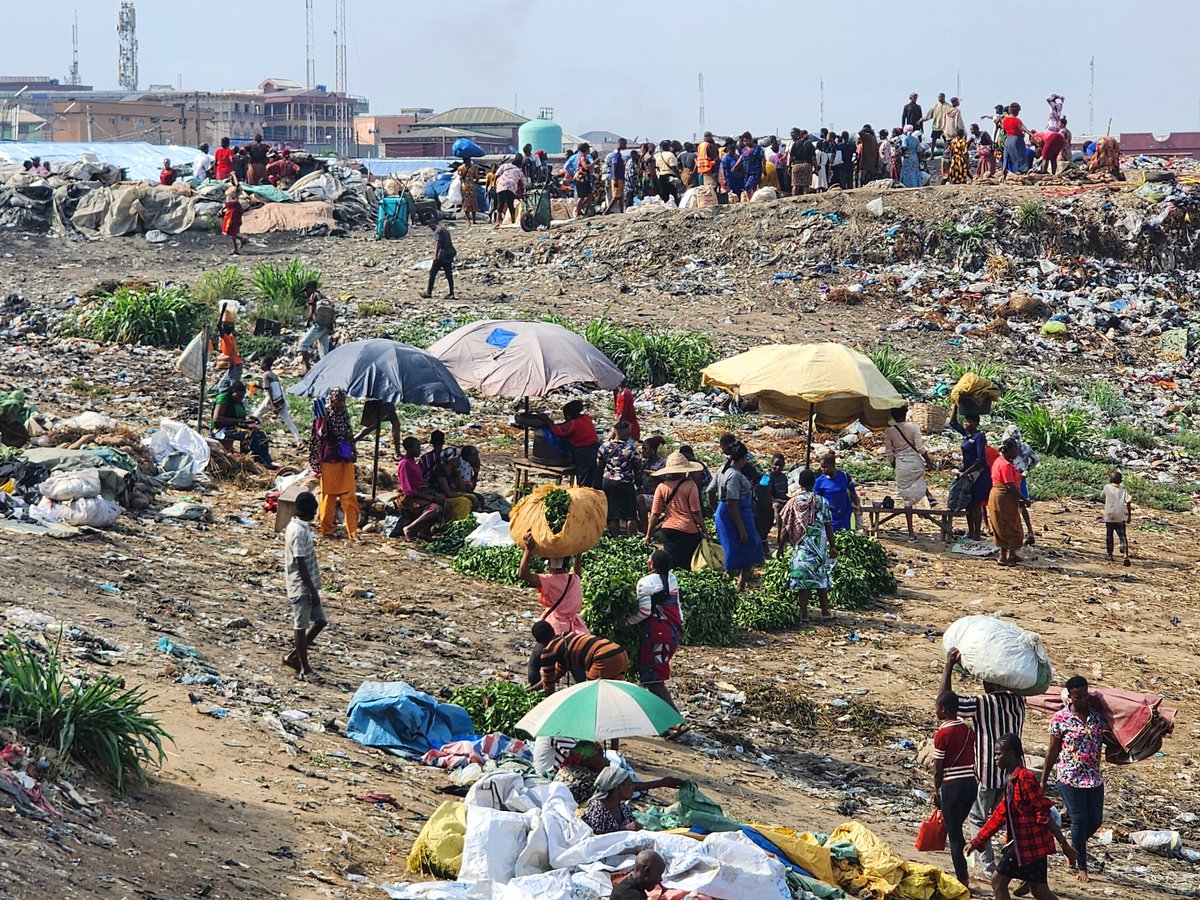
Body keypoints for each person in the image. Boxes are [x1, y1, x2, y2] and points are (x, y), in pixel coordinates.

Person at [942, 648, 1028, 878]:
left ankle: (990, 870)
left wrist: (949, 665)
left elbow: (947, 703)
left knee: (978, 819)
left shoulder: (982, 703)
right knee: (1012, 822)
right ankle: (1022, 867)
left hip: (988, 773)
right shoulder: (1019, 702)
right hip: (1015, 775)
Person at [966, 734, 1076, 900]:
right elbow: (1000, 815)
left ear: (1011, 754)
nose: (995, 758)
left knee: (998, 882)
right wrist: (977, 842)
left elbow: (1043, 812)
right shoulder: (1011, 780)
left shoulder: (1024, 779)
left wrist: (1064, 845)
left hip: (1028, 845)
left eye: (998, 754)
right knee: (1039, 890)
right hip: (1025, 845)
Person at [1041, 675, 1110, 883]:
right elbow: (1052, 751)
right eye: (1077, 696)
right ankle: (1081, 866)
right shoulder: (1060, 719)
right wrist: (1043, 779)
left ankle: (1072, 847)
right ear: (1069, 697)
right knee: (1079, 819)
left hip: (1093, 777)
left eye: (1084, 695)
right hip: (1069, 777)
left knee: (1095, 821)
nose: (1082, 700)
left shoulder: (1097, 718)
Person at [629, 550, 685, 714]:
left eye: (649, 559)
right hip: (673, 633)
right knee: (654, 676)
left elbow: (644, 612)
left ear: (652, 564)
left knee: (653, 680)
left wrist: (626, 623)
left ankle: (674, 720)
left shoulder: (645, 583)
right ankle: (659, 718)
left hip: (656, 635)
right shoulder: (672, 578)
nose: (647, 561)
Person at [777, 468, 836, 620]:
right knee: (821, 579)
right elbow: (828, 526)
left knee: (803, 581)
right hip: (819, 547)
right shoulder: (822, 501)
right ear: (814, 483)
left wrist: (781, 547)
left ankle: (803, 614)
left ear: (799, 483)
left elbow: (785, 526)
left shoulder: (793, 502)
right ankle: (825, 612)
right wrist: (833, 546)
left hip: (801, 548)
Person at [933, 690, 977, 888]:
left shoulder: (943, 733)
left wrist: (936, 790)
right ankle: (964, 872)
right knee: (957, 827)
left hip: (953, 785)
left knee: (955, 834)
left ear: (943, 709)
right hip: (970, 784)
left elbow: (938, 768)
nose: (936, 712)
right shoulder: (968, 730)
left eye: (937, 708)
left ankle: (962, 878)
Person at [282, 490, 326, 680]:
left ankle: (293, 657)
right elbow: (300, 561)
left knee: (321, 621)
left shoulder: (299, 526)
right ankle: (304, 668)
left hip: (307, 585)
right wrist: (310, 590)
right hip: (301, 586)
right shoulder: (298, 532)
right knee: (300, 627)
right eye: (315, 509)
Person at [309, 388, 358, 540]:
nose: (341, 403)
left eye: (343, 400)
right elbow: (321, 435)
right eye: (338, 400)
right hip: (330, 459)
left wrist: (353, 451)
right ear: (332, 399)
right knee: (329, 496)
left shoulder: (344, 415)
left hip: (345, 458)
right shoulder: (324, 415)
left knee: (349, 495)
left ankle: (353, 532)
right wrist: (324, 420)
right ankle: (327, 530)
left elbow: (349, 435)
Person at [715, 443, 763, 591]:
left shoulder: (722, 471)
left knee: (736, 548)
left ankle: (737, 583)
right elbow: (732, 502)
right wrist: (741, 528)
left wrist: (715, 510)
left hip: (728, 513)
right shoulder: (734, 475)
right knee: (743, 546)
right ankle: (733, 583)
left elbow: (710, 492)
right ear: (742, 458)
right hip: (736, 514)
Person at [519, 533, 589, 635]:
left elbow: (523, 575)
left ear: (551, 564)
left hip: (555, 627)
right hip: (575, 630)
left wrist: (527, 550)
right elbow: (577, 572)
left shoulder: (549, 580)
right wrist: (578, 554)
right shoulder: (574, 579)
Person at [645, 451, 704, 569]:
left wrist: (648, 534)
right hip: (688, 530)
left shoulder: (662, 487)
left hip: (668, 530)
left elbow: (655, 514)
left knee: (670, 563)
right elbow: (696, 512)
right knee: (687, 564)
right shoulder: (690, 485)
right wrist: (704, 530)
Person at [532, 623, 629, 694]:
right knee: (615, 690)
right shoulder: (566, 636)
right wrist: (531, 690)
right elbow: (556, 674)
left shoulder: (549, 651)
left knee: (592, 692)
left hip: (604, 657)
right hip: (620, 652)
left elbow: (549, 686)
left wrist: (547, 702)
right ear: (552, 630)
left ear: (537, 640)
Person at [884, 406, 935, 541]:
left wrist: (896, 465)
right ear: (905, 414)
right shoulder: (914, 428)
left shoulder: (889, 431)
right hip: (916, 462)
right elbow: (920, 448)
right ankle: (929, 495)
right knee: (919, 478)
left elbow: (889, 454)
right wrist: (929, 462)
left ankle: (911, 534)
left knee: (907, 501)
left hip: (902, 464)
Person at [949, 404, 992, 541]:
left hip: (978, 474)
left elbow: (980, 459)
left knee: (976, 505)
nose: (966, 423)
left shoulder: (979, 437)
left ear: (975, 423)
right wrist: (955, 406)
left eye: (969, 422)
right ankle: (971, 532)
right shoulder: (967, 435)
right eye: (965, 421)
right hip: (968, 474)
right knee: (968, 502)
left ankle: (977, 535)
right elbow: (952, 423)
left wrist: (965, 472)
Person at [212, 381, 272, 465]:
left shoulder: (239, 403)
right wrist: (238, 421)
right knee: (250, 434)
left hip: (233, 427)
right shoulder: (224, 398)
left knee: (261, 434)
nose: (240, 398)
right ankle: (254, 459)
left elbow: (241, 419)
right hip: (220, 429)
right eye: (239, 396)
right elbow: (217, 418)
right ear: (233, 392)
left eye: (242, 396)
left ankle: (263, 459)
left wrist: (249, 422)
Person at [545, 399, 600, 488]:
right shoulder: (586, 418)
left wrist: (548, 421)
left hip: (584, 453)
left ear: (568, 415)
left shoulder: (573, 424)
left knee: (584, 480)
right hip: (596, 449)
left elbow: (558, 430)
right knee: (595, 478)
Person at [597, 421, 640, 536]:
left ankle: (615, 540)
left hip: (608, 482)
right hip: (625, 482)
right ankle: (632, 541)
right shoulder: (630, 448)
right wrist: (638, 482)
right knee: (630, 515)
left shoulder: (604, 447)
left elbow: (600, 464)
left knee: (612, 515)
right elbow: (637, 465)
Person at [396, 436, 442, 540]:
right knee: (435, 508)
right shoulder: (405, 464)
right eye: (417, 448)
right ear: (409, 449)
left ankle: (424, 531)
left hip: (417, 493)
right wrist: (425, 496)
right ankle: (410, 529)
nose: (419, 450)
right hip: (408, 498)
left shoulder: (413, 462)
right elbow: (407, 489)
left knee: (441, 500)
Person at [990, 438, 1026, 566]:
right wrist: (1024, 498)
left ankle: (1012, 553)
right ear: (1009, 450)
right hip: (1004, 497)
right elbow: (1009, 485)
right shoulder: (1004, 465)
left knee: (1009, 522)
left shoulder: (1001, 462)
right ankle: (1003, 556)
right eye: (1015, 448)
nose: (1017, 451)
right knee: (1006, 524)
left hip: (1003, 496)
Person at [1001, 424, 1039, 544]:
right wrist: (1027, 469)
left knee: (1014, 505)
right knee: (1020, 505)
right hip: (1017, 476)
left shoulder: (1008, 446)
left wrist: (1027, 469)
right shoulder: (1023, 446)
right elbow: (1036, 460)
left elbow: (1035, 460)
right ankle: (1028, 531)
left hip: (1013, 477)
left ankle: (1019, 532)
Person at [253, 355, 302, 444]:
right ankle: (299, 440)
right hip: (279, 400)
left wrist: (273, 405)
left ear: (264, 364)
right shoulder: (274, 374)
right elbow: (275, 388)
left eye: (261, 363)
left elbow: (269, 391)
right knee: (288, 421)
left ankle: (254, 435)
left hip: (271, 400)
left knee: (256, 416)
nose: (260, 365)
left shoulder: (265, 375)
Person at [582, 766, 641, 835]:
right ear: (618, 788)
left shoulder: (621, 806)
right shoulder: (598, 808)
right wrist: (624, 829)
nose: (633, 788)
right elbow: (595, 837)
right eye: (630, 785)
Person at [815, 452, 860, 533]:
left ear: (832, 465)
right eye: (821, 467)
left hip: (844, 516)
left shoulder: (844, 477)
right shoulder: (819, 481)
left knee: (846, 538)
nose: (822, 469)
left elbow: (852, 492)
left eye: (825, 467)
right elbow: (816, 500)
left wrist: (857, 505)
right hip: (829, 518)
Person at [430, 448, 478, 523]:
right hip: (440, 497)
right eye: (458, 459)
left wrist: (459, 475)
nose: (460, 461)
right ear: (452, 461)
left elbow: (462, 488)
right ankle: (457, 522)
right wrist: (470, 496)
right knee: (464, 501)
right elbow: (448, 493)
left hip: (451, 495)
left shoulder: (454, 471)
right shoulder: (440, 472)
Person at [299, 280, 334, 371]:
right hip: (326, 326)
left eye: (307, 290)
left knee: (302, 345)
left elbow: (311, 310)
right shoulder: (323, 296)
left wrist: (307, 322)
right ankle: (326, 370)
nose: (306, 292)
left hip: (318, 325)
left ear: (312, 288)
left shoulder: (313, 296)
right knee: (324, 352)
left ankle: (308, 369)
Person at [634, 435, 666, 533]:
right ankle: (644, 527)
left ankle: (646, 528)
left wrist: (655, 475)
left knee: (640, 500)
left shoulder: (662, 463)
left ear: (653, 450)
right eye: (642, 449)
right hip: (647, 493)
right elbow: (638, 483)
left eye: (645, 449)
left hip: (659, 497)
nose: (642, 451)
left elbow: (667, 482)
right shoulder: (643, 462)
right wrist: (637, 470)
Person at [1101, 470, 1132, 564]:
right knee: (1122, 536)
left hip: (1109, 515)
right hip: (1120, 516)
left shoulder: (1107, 487)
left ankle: (1110, 555)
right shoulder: (1123, 491)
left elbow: (1102, 496)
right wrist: (1129, 515)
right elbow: (1128, 502)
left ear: (1110, 480)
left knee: (1109, 535)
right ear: (1120, 481)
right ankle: (1125, 554)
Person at [420, 220, 456, 299]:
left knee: (432, 273)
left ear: (432, 225)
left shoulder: (438, 231)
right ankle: (451, 293)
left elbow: (438, 243)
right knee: (449, 274)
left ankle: (429, 293)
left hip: (442, 254)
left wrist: (435, 256)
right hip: (450, 252)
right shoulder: (444, 229)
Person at [1000, 104, 1031, 180]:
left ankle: (1005, 172)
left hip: (1008, 140)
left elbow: (1003, 131)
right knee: (1020, 156)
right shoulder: (1017, 120)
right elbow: (1024, 128)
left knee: (1007, 156)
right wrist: (1032, 135)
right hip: (1017, 139)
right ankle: (1021, 172)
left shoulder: (1005, 120)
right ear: (1017, 111)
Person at [494, 154, 524, 227]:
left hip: (502, 185)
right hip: (512, 186)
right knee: (510, 204)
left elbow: (496, 175)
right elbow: (523, 182)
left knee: (500, 203)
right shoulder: (519, 171)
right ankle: (513, 221)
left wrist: (495, 184)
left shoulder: (504, 166)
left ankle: (497, 221)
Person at [605, 138, 628, 214]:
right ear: (621, 143)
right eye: (625, 144)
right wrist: (615, 179)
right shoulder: (615, 154)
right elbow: (614, 166)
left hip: (620, 177)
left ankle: (621, 212)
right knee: (616, 196)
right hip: (617, 178)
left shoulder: (619, 154)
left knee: (621, 196)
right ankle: (606, 211)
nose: (626, 146)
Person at [789, 128, 814, 196]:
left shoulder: (795, 144)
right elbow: (813, 158)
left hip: (796, 165)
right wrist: (816, 167)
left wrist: (789, 167)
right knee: (806, 185)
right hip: (807, 165)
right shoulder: (810, 145)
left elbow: (791, 157)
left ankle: (793, 198)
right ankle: (805, 198)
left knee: (795, 185)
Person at [654, 139, 681, 204]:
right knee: (674, 194)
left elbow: (657, 167)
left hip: (661, 176)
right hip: (671, 177)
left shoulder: (658, 156)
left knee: (665, 194)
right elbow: (674, 167)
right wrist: (679, 176)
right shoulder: (671, 155)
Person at [740, 133, 765, 200]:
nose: (745, 143)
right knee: (748, 187)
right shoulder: (744, 149)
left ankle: (753, 200)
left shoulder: (757, 148)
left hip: (755, 171)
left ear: (751, 140)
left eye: (746, 141)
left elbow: (762, 158)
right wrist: (734, 167)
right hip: (747, 171)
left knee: (749, 185)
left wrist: (764, 168)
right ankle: (751, 200)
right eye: (744, 141)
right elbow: (741, 158)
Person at [572, 143, 594, 218]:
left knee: (589, 195)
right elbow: (586, 167)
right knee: (582, 197)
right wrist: (594, 163)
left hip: (585, 179)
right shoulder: (582, 158)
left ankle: (579, 208)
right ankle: (577, 212)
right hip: (581, 179)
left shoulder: (585, 157)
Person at [222, 186, 246, 254]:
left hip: (233, 216)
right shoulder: (229, 197)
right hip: (229, 215)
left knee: (232, 232)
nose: (228, 190)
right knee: (231, 232)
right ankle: (241, 240)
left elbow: (234, 207)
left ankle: (236, 249)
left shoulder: (234, 199)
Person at [456, 157, 480, 225]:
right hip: (472, 187)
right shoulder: (474, 167)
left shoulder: (460, 168)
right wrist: (473, 182)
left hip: (464, 187)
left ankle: (468, 220)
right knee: (473, 203)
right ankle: (473, 220)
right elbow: (477, 178)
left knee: (466, 204)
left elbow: (459, 177)